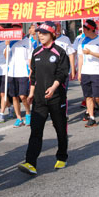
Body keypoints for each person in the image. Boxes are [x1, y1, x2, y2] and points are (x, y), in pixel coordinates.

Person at [18, 21, 70, 175]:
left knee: (60, 129)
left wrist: (53, 88)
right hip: (40, 99)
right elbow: (33, 75)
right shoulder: (36, 52)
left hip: (56, 98)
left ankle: (62, 156)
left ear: (52, 34)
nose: (40, 35)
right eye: (39, 32)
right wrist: (32, 93)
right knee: (36, 131)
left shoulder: (60, 52)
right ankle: (30, 162)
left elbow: (62, 74)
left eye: (44, 33)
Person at [78, 19, 99, 127]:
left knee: (97, 96)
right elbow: (81, 57)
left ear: (91, 29)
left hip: (97, 71)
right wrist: (79, 72)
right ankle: (92, 117)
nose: (83, 31)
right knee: (88, 96)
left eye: (85, 29)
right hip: (85, 72)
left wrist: (91, 53)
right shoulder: (82, 41)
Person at [6, 23, 33, 127]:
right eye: (14, 27)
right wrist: (7, 45)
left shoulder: (27, 41)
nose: (15, 29)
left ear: (21, 29)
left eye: (17, 27)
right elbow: (6, 56)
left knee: (23, 96)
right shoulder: (9, 41)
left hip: (23, 72)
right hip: (12, 72)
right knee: (14, 97)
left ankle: (28, 114)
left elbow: (30, 56)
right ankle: (19, 118)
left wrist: (30, 69)